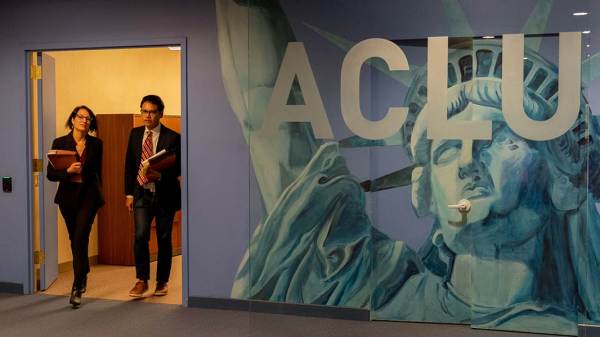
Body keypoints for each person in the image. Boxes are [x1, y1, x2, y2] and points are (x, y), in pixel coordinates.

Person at [219, 1, 600, 335]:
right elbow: (266, 114)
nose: (468, 162)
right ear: (425, 191)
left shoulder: (580, 321)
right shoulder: (367, 287)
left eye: (501, 140)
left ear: (563, 180)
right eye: (448, 149)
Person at [46, 105, 104, 308]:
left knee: (79, 236)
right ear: (72, 120)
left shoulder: (97, 144)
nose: (84, 121)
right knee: (76, 239)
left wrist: (100, 197)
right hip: (68, 198)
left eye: (88, 118)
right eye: (80, 117)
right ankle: (84, 270)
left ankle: (77, 285)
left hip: (89, 197)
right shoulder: (60, 142)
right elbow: (50, 175)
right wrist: (68, 172)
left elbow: (98, 172)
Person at [124, 95, 181, 297]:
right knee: (140, 236)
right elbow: (130, 165)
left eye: (151, 111)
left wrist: (161, 175)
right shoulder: (135, 133)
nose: (147, 115)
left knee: (164, 238)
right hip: (141, 194)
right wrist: (129, 194)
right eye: (143, 111)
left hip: (165, 194)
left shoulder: (173, 137)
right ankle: (141, 280)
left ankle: (162, 281)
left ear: (160, 114)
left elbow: (180, 166)